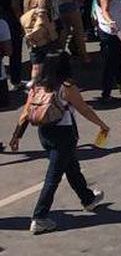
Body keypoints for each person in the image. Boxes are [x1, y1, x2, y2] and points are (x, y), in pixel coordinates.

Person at [9, 54, 109, 235]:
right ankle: (39, 217)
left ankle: (87, 199)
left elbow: (26, 112)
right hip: (64, 135)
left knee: (71, 166)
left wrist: (17, 136)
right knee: (53, 177)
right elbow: (84, 109)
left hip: (44, 134)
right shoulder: (66, 87)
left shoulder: (37, 86)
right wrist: (102, 125)